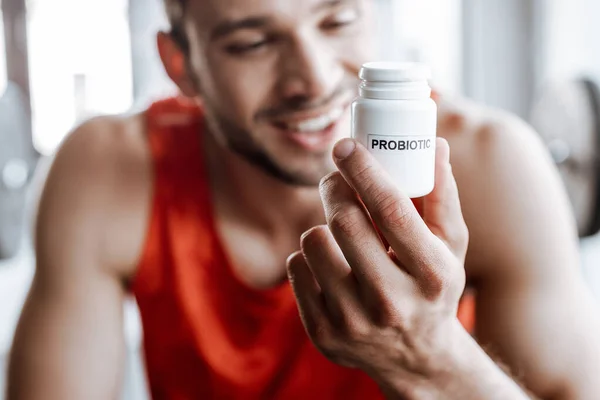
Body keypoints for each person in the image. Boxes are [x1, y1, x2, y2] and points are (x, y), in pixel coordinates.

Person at [7, 0, 600, 399]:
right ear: (181, 65)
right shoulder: (108, 169)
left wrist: (430, 357)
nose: (314, 79)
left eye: (337, 20)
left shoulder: (492, 162)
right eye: (253, 42)